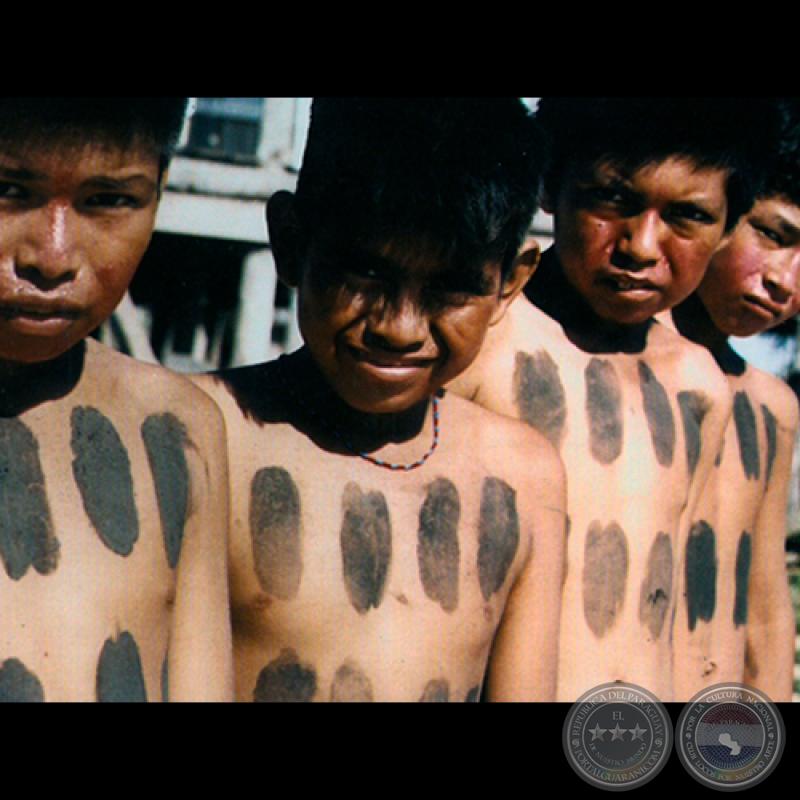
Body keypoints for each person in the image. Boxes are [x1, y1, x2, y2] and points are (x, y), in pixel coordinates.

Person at [192, 98, 567, 702]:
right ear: (291, 243)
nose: (399, 327)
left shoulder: (523, 475)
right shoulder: (202, 432)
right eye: (364, 275)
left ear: (510, 283)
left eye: (450, 287)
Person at [449, 97, 777, 702]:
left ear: (729, 227)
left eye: (687, 217)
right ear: (552, 185)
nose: (641, 247)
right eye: (613, 199)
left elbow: (671, 613)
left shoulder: (698, 386)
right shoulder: (482, 340)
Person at [0, 98, 233, 702]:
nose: (50, 257)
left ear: (159, 187)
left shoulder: (178, 425)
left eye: (107, 200)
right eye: (7, 188)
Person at [666, 99, 800, 702]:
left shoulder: (771, 406)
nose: (786, 279)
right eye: (774, 235)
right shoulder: (584, 365)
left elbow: (768, 620)